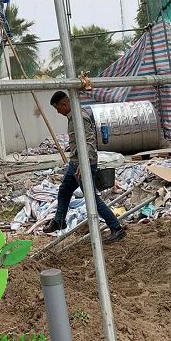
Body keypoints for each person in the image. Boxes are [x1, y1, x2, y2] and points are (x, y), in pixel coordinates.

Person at [45, 90, 125, 242]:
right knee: (64, 190)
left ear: (64, 104)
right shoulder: (72, 117)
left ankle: (116, 227)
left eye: (58, 109)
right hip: (75, 163)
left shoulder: (79, 117)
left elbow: (90, 141)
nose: (58, 112)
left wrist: (85, 163)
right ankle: (59, 221)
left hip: (83, 164)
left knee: (92, 199)